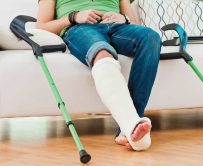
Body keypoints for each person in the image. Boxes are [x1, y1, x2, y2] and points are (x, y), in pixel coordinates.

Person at [36, 0, 162, 151]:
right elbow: (41, 26)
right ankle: (131, 125)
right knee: (101, 52)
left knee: (151, 38)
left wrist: (124, 19)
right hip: (79, 28)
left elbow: (133, 21)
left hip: (118, 27)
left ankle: (130, 125)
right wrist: (73, 17)